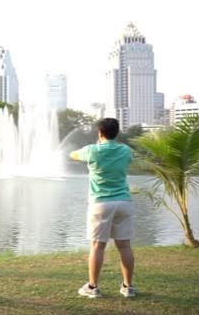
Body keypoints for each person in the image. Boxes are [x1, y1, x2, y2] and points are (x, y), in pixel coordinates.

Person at [70, 117, 136, 298]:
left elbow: (73, 155)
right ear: (117, 132)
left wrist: (96, 145)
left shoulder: (92, 150)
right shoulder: (126, 150)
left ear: (100, 133)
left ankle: (92, 287)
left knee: (98, 246)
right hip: (123, 201)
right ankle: (128, 287)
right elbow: (130, 159)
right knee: (124, 246)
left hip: (100, 202)